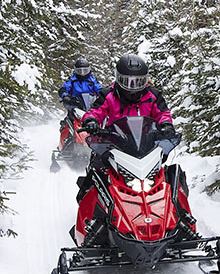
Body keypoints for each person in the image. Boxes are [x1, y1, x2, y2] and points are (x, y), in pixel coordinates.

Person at [74, 55, 188, 244]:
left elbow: (163, 114)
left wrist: (166, 126)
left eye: (138, 82)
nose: (132, 86)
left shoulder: (153, 95)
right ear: (118, 79)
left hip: (147, 147)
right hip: (114, 145)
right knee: (95, 175)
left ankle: (181, 222)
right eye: (127, 81)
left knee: (169, 177)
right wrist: (91, 121)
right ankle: (92, 226)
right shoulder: (108, 95)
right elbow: (96, 110)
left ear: (146, 80)